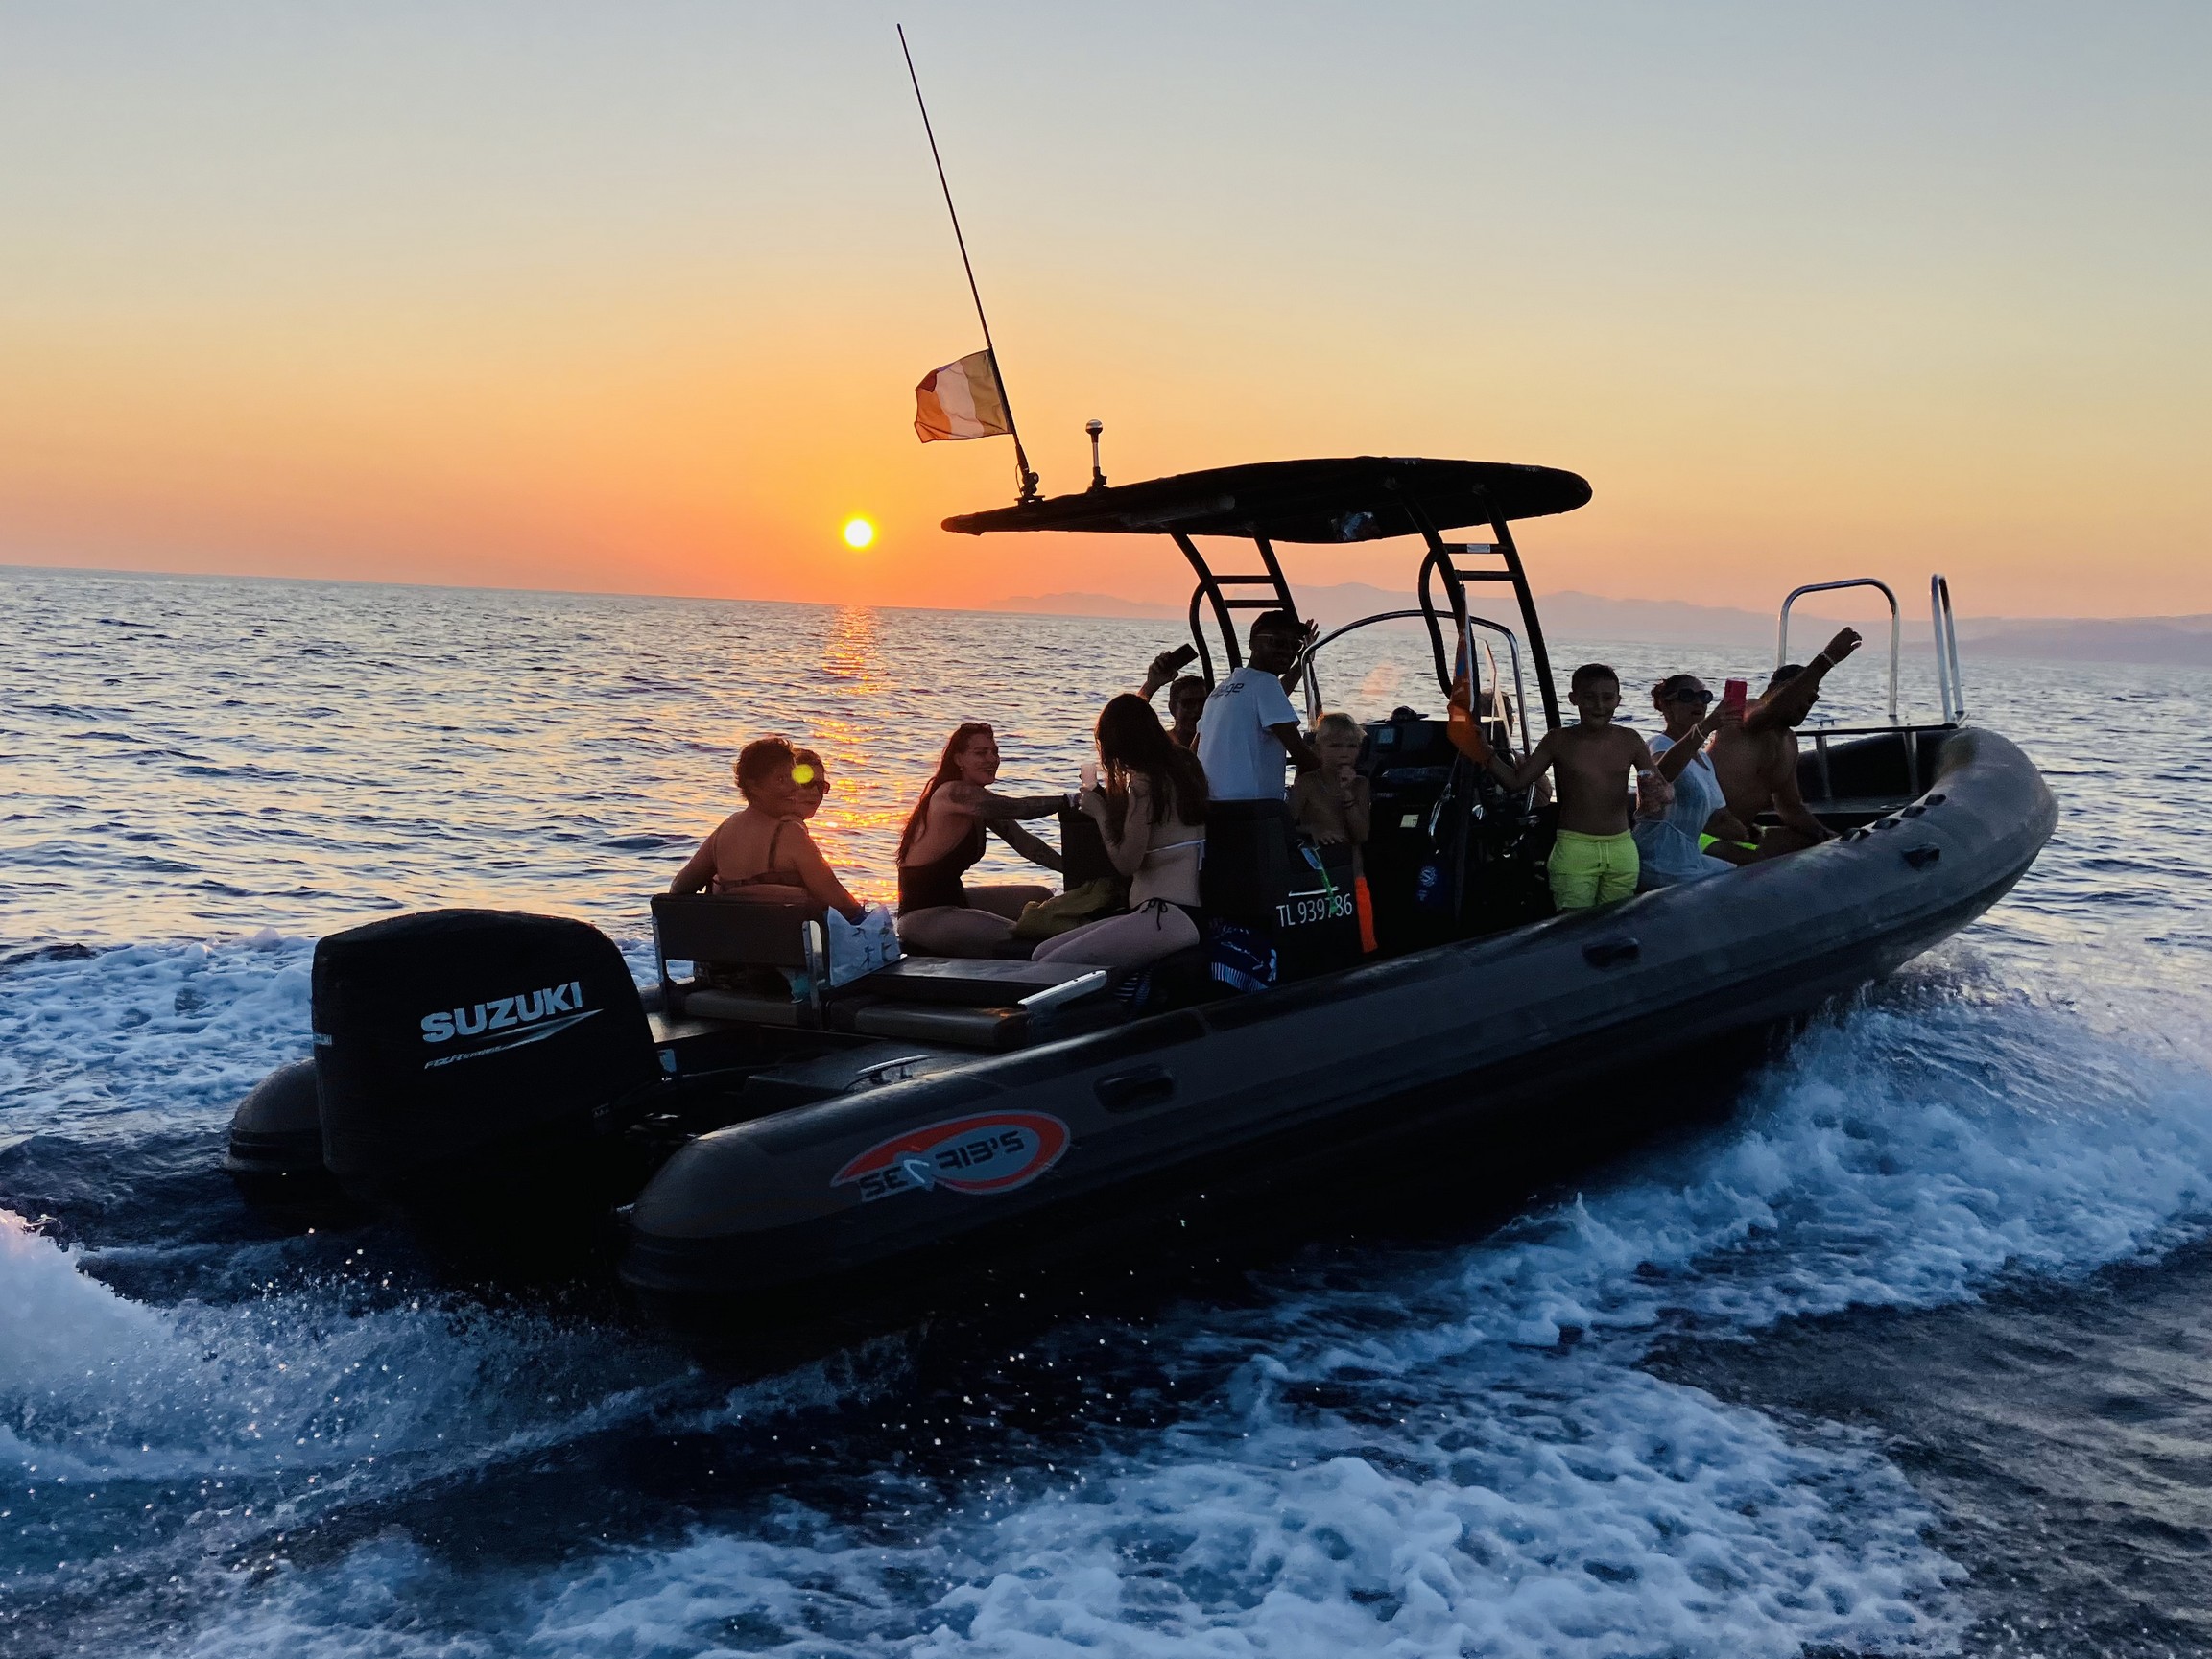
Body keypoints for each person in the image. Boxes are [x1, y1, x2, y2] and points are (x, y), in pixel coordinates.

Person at [1455, 662, 1663, 910]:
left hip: (1622, 849)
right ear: (1573, 699)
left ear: (1618, 700)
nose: (1599, 706)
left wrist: (1658, 793)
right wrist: (1486, 753)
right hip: (1575, 848)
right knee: (1572, 927)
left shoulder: (1631, 739)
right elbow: (1516, 782)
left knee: (1616, 926)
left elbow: (1658, 782)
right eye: (1589, 698)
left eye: (1607, 698)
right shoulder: (1557, 740)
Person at [1034, 695, 1209, 968]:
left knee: (1050, 965)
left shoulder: (1145, 784)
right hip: (1175, 911)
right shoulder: (1184, 767)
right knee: (1040, 953)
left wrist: (1100, 813)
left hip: (1165, 913)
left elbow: (1127, 863)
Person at [1194, 611, 1323, 926]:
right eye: (1277, 642)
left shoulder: (1223, 690)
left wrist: (1303, 658)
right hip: (1256, 818)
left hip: (1215, 817)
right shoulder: (1265, 686)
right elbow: (1304, 758)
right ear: (1252, 643)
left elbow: (1193, 751)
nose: (1286, 650)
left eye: (1293, 645)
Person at [895, 723, 1068, 956]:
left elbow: (1028, 846)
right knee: (1028, 939)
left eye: (994, 752)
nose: (992, 759)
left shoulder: (979, 802)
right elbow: (1019, 807)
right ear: (958, 759)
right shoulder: (952, 793)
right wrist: (1071, 801)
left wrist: (1076, 871)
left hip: (956, 899)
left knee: (1043, 896)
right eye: (980, 753)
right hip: (923, 916)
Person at [670, 735, 867, 923]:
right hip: (787, 954)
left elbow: (679, 888)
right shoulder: (789, 834)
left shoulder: (723, 832)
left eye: (793, 778)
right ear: (753, 786)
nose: (794, 787)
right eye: (781, 780)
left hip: (727, 954)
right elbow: (841, 902)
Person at [1709, 628, 1863, 860]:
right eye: (1803, 694)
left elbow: (1790, 807)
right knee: (1758, 866)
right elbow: (1769, 711)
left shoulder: (1789, 741)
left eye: (1813, 697)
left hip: (1742, 837)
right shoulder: (1747, 714)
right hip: (1703, 837)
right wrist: (1827, 660)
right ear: (1775, 691)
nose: (1808, 701)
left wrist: (1829, 837)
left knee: (1811, 845)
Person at [1632, 675, 1751, 888]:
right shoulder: (1657, 745)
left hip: (1690, 858)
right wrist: (1706, 727)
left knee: (1751, 874)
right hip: (1659, 861)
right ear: (1666, 707)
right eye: (1687, 696)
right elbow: (1662, 775)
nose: (1698, 702)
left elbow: (1718, 818)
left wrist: (1753, 837)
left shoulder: (1704, 759)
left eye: (1704, 696)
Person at [1291, 709, 1377, 952]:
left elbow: (1361, 835)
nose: (1344, 753)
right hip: (1319, 882)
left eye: (1351, 746)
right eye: (1335, 746)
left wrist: (1348, 795)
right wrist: (1311, 829)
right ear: (1318, 750)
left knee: (1361, 946)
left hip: (1353, 878)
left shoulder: (1360, 785)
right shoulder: (1306, 783)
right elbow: (1286, 827)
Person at [1139, 652, 1212, 750]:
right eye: (1188, 704)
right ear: (1172, 707)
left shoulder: (1214, 744)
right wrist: (1150, 686)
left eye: (1203, 702)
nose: (1197, 709)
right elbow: (1125, 727)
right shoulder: (1160, 744)